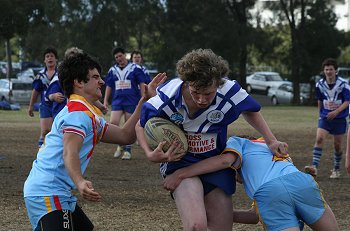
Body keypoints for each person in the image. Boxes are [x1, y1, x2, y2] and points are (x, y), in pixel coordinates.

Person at [135, 48, 288, 231]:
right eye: (195, 92)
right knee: (196, 226)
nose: (201, 99)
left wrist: (271, 140)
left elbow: (251, 110)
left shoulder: (229, 91)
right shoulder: (166, 97)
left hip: (214, 164)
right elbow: (140, 125)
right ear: (186, 83)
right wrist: (149, 154)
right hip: (180, 165)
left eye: (208, 93)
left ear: (218, 83)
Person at [23, 52, 166, 231]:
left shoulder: (88, 114)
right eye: (95, 77)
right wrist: (80, 181)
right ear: (79, 82)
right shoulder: (77, 114)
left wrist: (144, 101)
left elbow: (125, 136)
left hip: (58, 192)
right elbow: (70, 152)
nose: (102, 82)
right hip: (47, 191)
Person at [163, 136, 340, 231]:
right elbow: (255, 216)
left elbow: (225, 161)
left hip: (270, 192)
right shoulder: (268, 144)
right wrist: (222, 214)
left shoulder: (238, 142)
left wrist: (181, 173)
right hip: (302, 182)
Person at [305, 58, 350, 178]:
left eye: (331, 69)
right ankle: (314, 167)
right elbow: (320, 100)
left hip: (340, 118)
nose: (328, 71)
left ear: (336, 70)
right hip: (325, 117)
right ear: (323, 71)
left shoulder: (343, 84)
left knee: (337, 145)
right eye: (326, 69)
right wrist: (320, 115)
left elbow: (347, 101)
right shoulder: (319, 84)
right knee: (319, 139)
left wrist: (336, 111)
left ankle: (336, 169)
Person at [103, 47, 151, 160]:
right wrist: (105, 100)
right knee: (113, 122)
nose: (119, 58)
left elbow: (141, 83)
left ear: (125, 55)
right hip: (117, 100)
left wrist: (143, 98)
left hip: (131, 100)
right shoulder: (112, 70)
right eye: (116, 57)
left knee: (128, 125)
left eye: (120, 56)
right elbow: (109, 86)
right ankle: (120, 145)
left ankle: (128, 150)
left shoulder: (135, 68)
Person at [27, 47, 58, 147]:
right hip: (45, 106)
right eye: (47, 56)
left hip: (59, 106)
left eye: (52, 56)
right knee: (45, 131)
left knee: (58, 132)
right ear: (44, 60)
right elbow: (35, 91)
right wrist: (31, 106)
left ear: (56, 59)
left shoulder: (61, 74)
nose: (50, 58)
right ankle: (41, 154)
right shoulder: (40, 75)